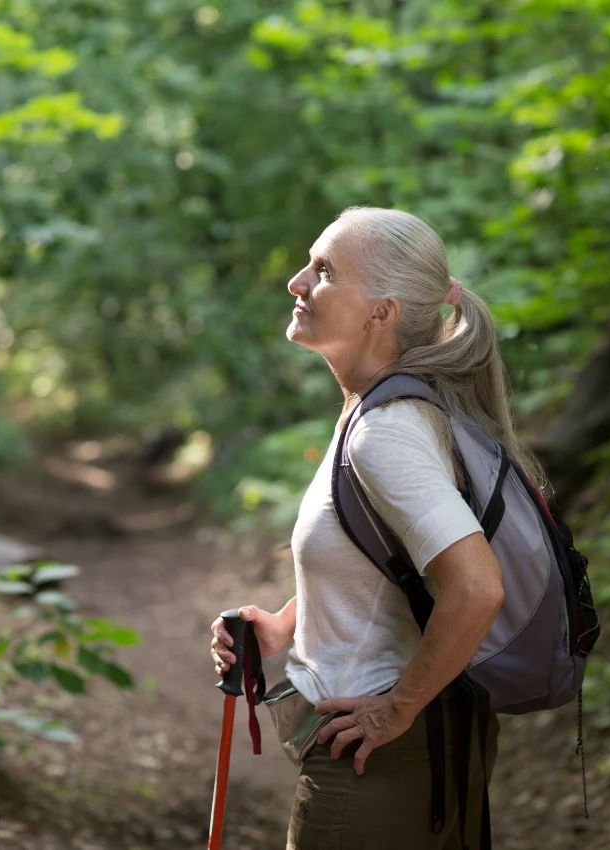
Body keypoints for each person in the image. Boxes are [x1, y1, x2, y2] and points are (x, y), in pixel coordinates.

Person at [210, 206, 548, 849]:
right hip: (427, 747)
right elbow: (391, 570)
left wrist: (397, 707)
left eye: (325, 270)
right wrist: (284, 625)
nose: (297, 282)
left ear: (381, 311)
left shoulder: (386, 431)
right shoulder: (389, 411)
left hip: (378, 763)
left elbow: (476, 587)